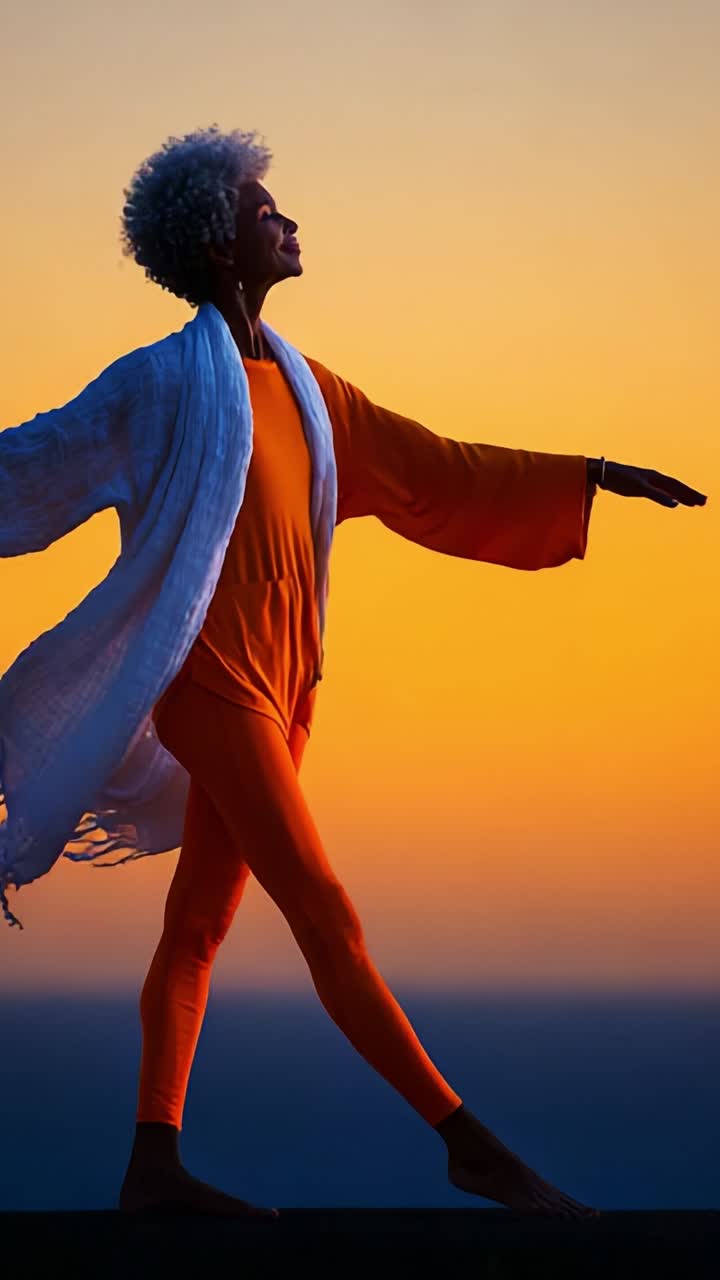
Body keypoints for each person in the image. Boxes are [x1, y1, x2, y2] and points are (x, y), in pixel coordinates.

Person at [2, 127, 706, 1222]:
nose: (288, 222)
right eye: (265, 209)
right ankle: (469, 1143)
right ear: (218, 242)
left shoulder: (308, 389)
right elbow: (32, 464)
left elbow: (433, 468)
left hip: (288, 689)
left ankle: (152, 1164)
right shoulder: (155, 387)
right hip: (209, 680)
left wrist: (589, 475)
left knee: (199, 925)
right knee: (326, 910)